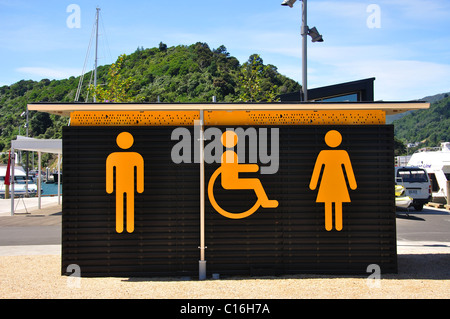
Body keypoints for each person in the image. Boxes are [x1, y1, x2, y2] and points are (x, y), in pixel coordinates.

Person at [309, 130, 357, 231]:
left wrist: (313, 184)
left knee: (329, 203)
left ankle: (329, 225)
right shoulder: (342, 153)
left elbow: (317, 169)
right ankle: (338, 225)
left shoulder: (324, 153)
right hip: (339, 181)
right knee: (337, 203)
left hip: (327, 181)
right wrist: (352, 184)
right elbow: (348, 170)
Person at [219, 131, 278, 208]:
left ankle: (265, 202)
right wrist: (252, 168)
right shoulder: (228, 154)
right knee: (255, 182)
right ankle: (265, 202)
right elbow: (234, 169)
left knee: (255, 182)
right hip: (230, 182)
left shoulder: (230, 153)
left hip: (233, 179)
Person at [106, 132, 144, 233]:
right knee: (128, 204)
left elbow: (110, 172)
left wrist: (109, 188)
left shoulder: (113, 156)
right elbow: (139, 172)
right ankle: (128, 227)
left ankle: (121, 227)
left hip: (121, 185)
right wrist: (140, 187)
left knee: (122, 204)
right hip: (129, 185)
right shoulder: (136, 156)